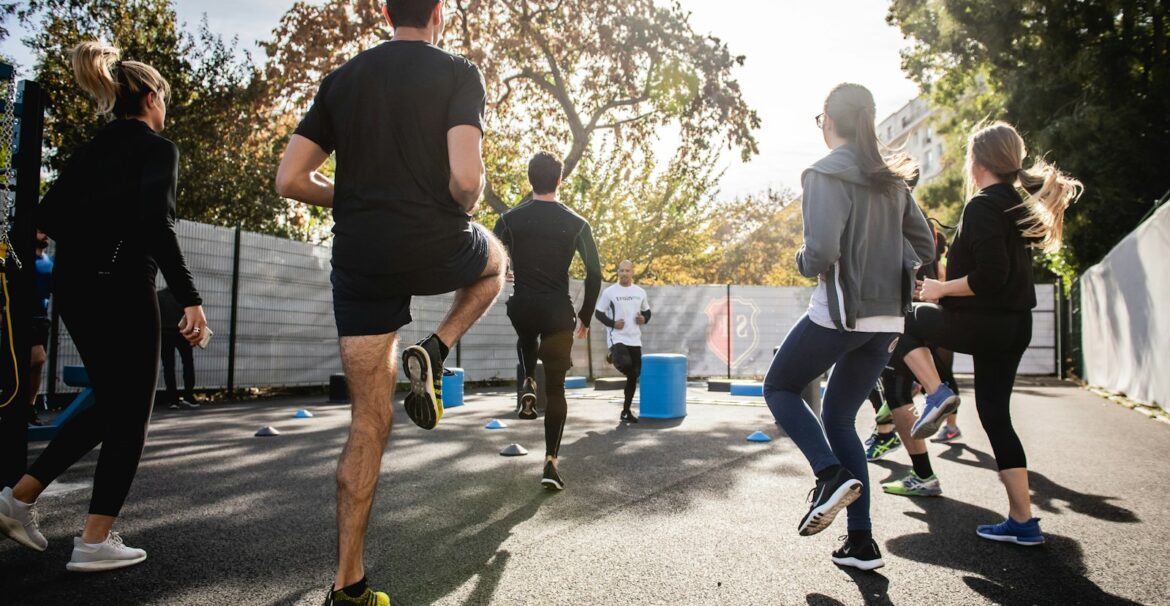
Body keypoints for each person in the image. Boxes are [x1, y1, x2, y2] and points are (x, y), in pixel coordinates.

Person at [273, 2, 505, 603]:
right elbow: (467, 180)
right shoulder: (458, 71)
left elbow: (291, 179)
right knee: (495, 264)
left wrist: (350, 198)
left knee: (366, 425)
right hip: (435, 240)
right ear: (440, 13)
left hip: (360, 258)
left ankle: (348, 585)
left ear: (384, 12)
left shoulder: (344, 79)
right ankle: (437, 346)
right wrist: (463, 206)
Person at [0, 41, 208, 571]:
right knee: (130, 414)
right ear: (151, 97)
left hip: (77, 290)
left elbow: (46, 216)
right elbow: (157, 226)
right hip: (122, 288)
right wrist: (191, 299)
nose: (167, 109)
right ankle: (93, 540)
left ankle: (18, 498)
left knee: (110, 404)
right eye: (165, 98)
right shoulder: (158, 149)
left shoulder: (94, 149)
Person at [761, 83, 934, 571]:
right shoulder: (893, 180)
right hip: (886, 321)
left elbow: (820, 254)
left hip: (841, 313)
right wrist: (897, 287)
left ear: (830, 122)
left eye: (819, 120)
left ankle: (828, 473)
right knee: (839, 418)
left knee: (779, 386)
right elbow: (925, 245)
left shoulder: (822, 172)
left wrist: (799, 259)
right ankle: (861, 543)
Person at [900, 120, 1081, 546]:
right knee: (996, 417)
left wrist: (942, 288)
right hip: (1014, 325)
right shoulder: (1015, 204)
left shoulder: (982, 205)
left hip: (986, 323)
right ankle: (1023, 521)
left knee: (904, 321)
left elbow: (990, 276)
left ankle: (936, 392)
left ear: (977, 161)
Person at [494, 151, 602, 490]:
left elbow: (491, 258)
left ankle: (527, 379)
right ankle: (550, 463)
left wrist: (506, 270)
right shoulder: (577, 223)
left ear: (529, 179)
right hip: (558, 311)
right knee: (556, 390)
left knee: (526, 332)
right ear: (559, 180)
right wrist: (585, 316)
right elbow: (595, 274)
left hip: (523, 305)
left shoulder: (509, 219)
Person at [594, 260, 651, 423]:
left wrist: (644, 319)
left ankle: (625, 411)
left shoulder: (640, 292)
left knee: (634, 374)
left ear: (632, 272)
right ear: (618, 273)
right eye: (621, 271)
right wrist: (613, 324)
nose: (624, 273)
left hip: (634, 338)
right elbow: (598, 313)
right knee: (626, 367)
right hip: (617, 337)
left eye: (627, 270)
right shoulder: (610, 292)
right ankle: (613, 354)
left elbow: (647, 312)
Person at [27, 230, 53, 426]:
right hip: (24, 318)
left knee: (38, 366)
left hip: (42, 319)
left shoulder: (49, 261)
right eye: (40, 232)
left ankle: (29, 406)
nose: (45, 235)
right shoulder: (21, 260)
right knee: (38, 357)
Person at [157, 287, 198, 409]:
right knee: (188, 363)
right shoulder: (185, 295)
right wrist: (195, 334)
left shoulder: (159, 296)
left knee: (168, 367)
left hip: (165, 334)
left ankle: (173, 400)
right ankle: (189, 396)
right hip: (183, 334)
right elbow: (194, 318)